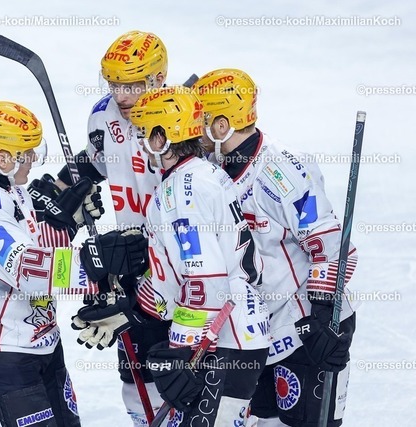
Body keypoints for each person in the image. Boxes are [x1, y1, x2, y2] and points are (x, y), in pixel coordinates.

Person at [0, 100, 148, 427]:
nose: (34, 159)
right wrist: (93, 262)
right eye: (26, 153)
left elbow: (36, 249)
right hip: (1, 351)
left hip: (40, 341)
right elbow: (25, 269)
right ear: (2, 158)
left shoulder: (10, 188)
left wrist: (66, 224)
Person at [76, 86, 270, 425]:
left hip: (223, 340)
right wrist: (132, 312)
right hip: (231, 334)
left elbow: (206, 282)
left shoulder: (183, 191)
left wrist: (183, 348)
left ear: (162, 138)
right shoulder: (198, 175)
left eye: (144, 134)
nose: (139, 143)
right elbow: (175, 277)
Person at [193, 69, 358, 427]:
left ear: (221, 126)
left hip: (306, 327)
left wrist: (323, 316)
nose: (193, 129)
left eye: (200, 120)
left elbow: (331, 245)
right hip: (256, 332)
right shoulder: (209, 170)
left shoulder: (281, 171)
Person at [27, 30, 170, 426]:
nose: (121, 95)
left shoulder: (181, 120)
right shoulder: (103, 116)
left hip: (180, 264)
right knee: (137, 377)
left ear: (159, 79)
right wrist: (62, 189)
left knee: (184, 374)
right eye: (114, 84)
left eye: (132, 85)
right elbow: (95, 161)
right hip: (130, 259)